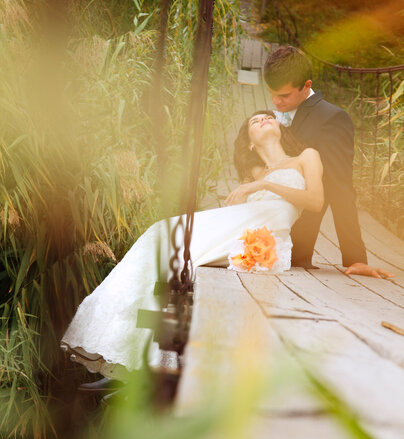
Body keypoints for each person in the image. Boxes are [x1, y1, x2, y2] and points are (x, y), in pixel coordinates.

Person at [61, 110, 323, 377]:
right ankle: (129, 352)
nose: (263, 119)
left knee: (172, 244)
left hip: (266, 236)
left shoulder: (305, 157)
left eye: (268, 117)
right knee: (166, 243)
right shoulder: (255, 172)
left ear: (280, 127)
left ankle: (138, 363)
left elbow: (315, 201)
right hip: (241, 228)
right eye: (255, 121)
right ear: (249, 143)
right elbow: (236, 208)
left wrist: (260, 186)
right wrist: (252, 185)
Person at [263, 45, 394, 279]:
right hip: (259, 215)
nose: (276, 102)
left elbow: (340, 187)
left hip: (290, 242)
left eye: (284, 96)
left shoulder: (332, 120)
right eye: (272, 93)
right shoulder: (268, 117)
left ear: (307, 86)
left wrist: (355, 258)